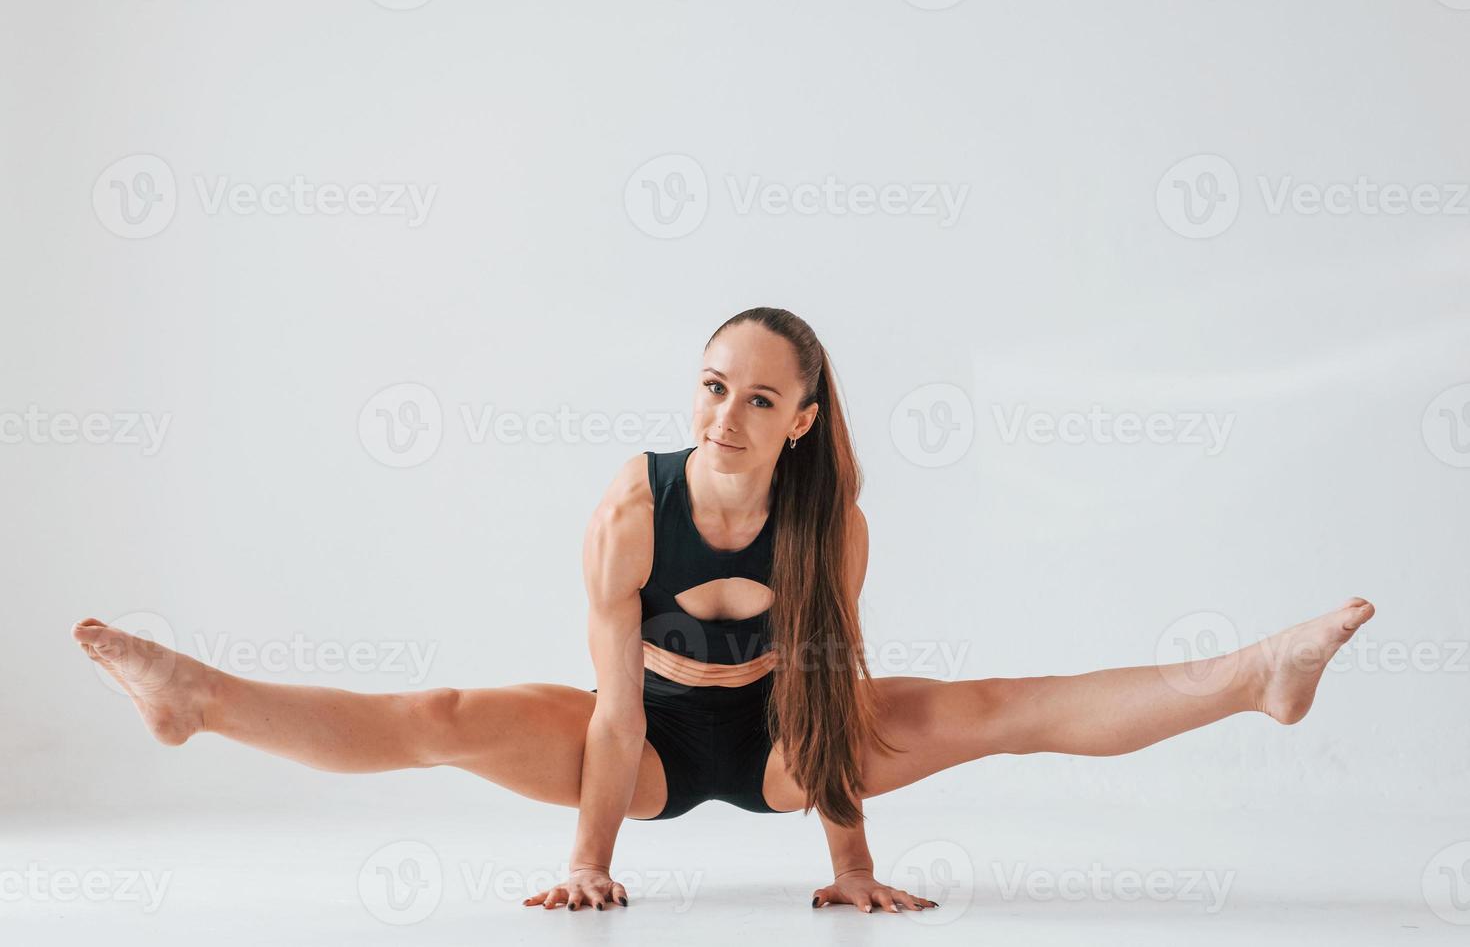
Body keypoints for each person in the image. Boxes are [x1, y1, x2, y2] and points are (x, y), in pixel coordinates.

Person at [73, 306, 1375, 915]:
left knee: (991, 709)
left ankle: (1249, 675)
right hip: (637, 753)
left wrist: (849, 869)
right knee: (443, 713)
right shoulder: (629, 511)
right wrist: (591, 863)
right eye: (710, 385)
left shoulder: (831, 523)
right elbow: (615, 704)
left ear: (803, 419)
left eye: (759, 397)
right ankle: (202, 700)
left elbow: (822, 688)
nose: (725, 413)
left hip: (781, 749)